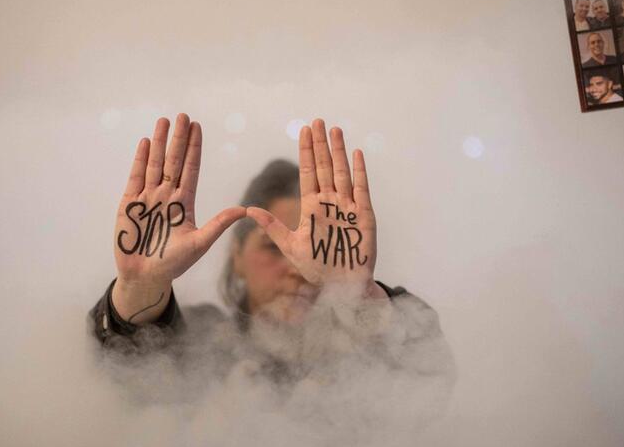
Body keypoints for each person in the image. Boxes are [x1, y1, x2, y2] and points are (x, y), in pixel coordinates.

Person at [91, 115, 455, 392]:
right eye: (273, 247)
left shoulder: (362, 361)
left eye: (313, 251)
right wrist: (141, 286)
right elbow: (120, 381)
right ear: (236, 256)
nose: (297, 269)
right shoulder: (203, 340)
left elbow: (431, 380)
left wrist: (357, 294)